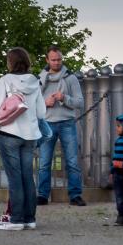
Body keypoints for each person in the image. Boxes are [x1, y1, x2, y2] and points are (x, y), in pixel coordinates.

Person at [0, 48, 46, 233]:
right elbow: (41, 112)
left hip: (9, 133)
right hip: (30, 135)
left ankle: (17, 219)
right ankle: (30, 218)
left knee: (15, 178)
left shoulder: (4, 81)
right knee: (28, 177)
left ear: (10, 62)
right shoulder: (35, 82)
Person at [36, 47, 86, 207]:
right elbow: (33, 103)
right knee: (44, 162)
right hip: (46, 123)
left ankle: (75, 195)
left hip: (67, 123)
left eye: (59, 59)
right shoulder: (39, 78)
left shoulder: (71, 78)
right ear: (47, 60)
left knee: (72, 161)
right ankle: (42, 195)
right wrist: (45, 103)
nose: (56, 62)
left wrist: (64, 98)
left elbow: (80, 102)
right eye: (53, 60)